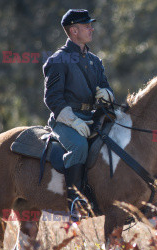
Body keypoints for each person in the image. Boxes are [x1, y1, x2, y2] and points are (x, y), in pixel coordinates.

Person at [43, 9, 114, 221]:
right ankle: (74, 200)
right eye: (86, 26)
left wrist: (107, 94)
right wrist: (73, 121)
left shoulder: (95, 61)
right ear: (74, 31)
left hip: (91, 117)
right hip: (65, 121)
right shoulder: (57, 60)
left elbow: (107, 88)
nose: (91, 28)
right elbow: (53, 100)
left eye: (90, 25)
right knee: (79, 146)